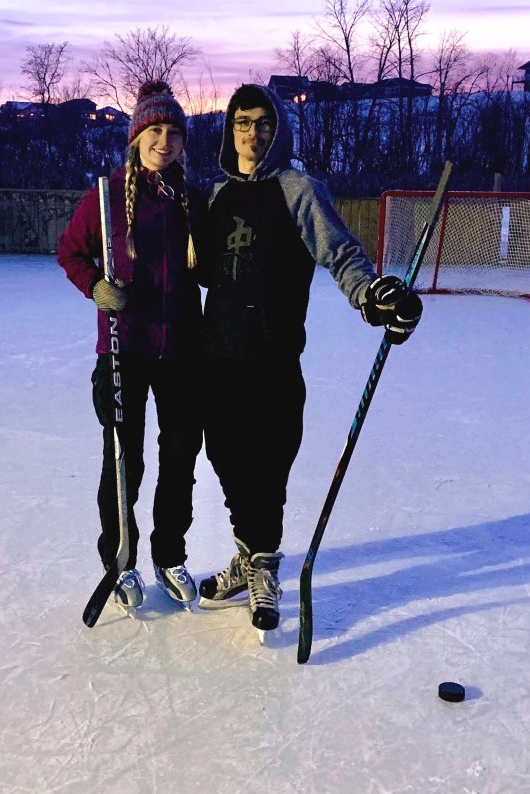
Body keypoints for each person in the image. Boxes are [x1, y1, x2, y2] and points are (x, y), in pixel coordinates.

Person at [197, 83, 423, 632]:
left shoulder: (299, 190)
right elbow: (192, 268)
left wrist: (370, 295)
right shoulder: (215, 195)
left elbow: (339, 252)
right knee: (225, 458)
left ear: (278, 129)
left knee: (268, 464)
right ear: (230, 130)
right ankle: (248, 554)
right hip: (218, 356)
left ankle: (263, 566)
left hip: (273, 356)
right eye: (242, 122)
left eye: (263, 122)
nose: (253, 132)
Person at [58, 81, 206, 613]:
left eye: (174, 132)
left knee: (180, 457)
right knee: (125, 459)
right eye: (155, 131)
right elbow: (70, 251)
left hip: (183, 349)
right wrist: (96, 284)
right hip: (124, 350)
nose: (164, 141)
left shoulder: (192, 199)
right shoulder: (107, 196)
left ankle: (170, 554)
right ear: (137, 136)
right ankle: (120, 559)